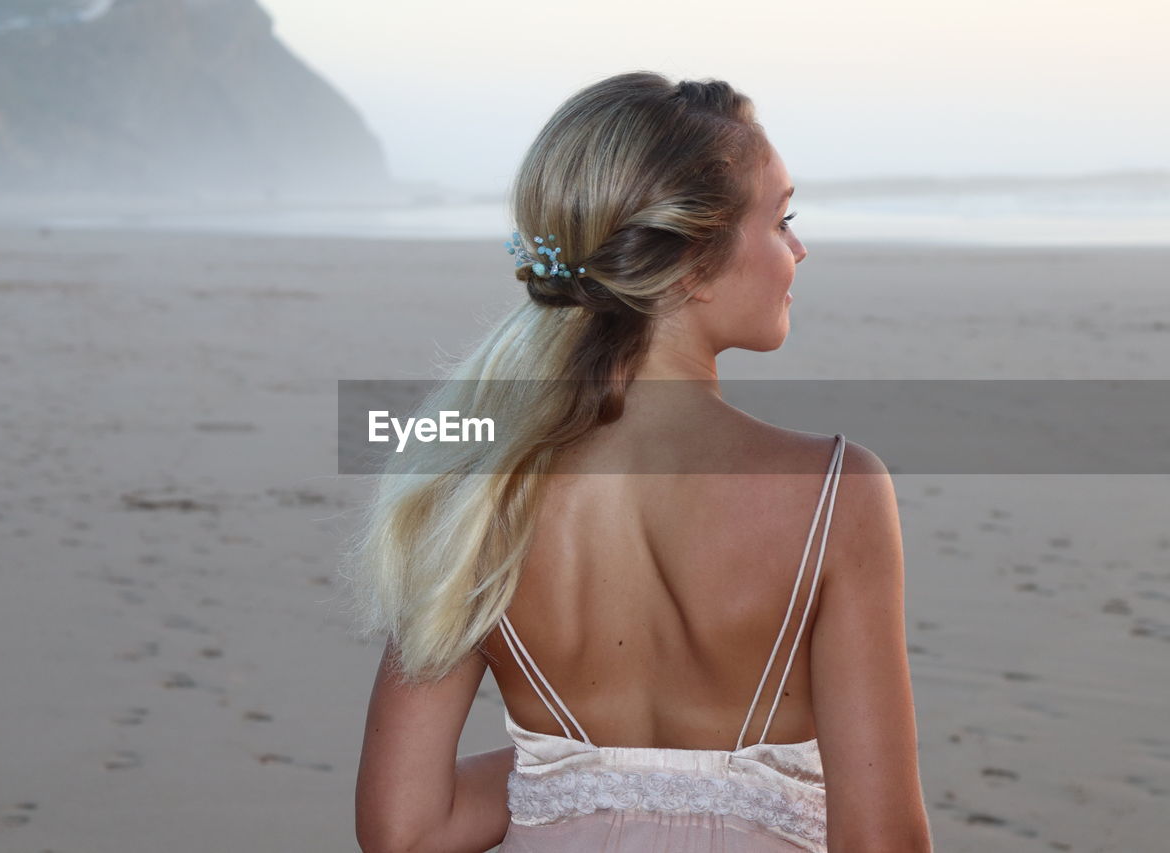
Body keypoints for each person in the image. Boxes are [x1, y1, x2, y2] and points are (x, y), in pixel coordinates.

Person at [350, 70, 932, 852]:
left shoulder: (476, 486)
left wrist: (573, 781)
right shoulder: (834, 492)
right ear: (691, 264)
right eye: (781, 219)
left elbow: (407, 827)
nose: (799, 247)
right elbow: (882, 840)